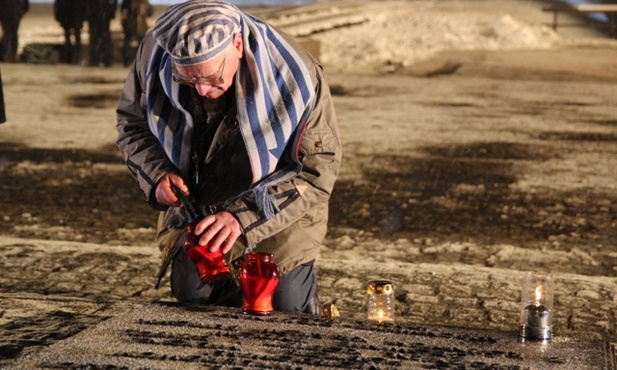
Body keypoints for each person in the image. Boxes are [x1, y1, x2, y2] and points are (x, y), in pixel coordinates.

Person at [116, 0, 341, 314]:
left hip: (279, 206)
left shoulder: (297, 75)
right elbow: (133, 124)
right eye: (188, 81)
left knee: (283, 305)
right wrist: (156, 174)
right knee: (194, 297)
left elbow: (318, 170)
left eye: (212, 79)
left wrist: (242, 217)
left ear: (237, 44)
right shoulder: (154, 58)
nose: (203, 91)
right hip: (200, 204)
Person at [120, 0, 154, 66]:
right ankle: (129, 60)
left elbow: (150, 12)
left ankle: (137, 60)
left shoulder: (142, 2)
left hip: (138, 25)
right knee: (129, 42)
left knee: (140, 43)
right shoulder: (128, 2)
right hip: (130, 24)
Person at [86, 0, 118, 67]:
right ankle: (104, 59)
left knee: (97, 39)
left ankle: (96, 59)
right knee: (103, 39)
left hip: (97, 15)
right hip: (102, 15)